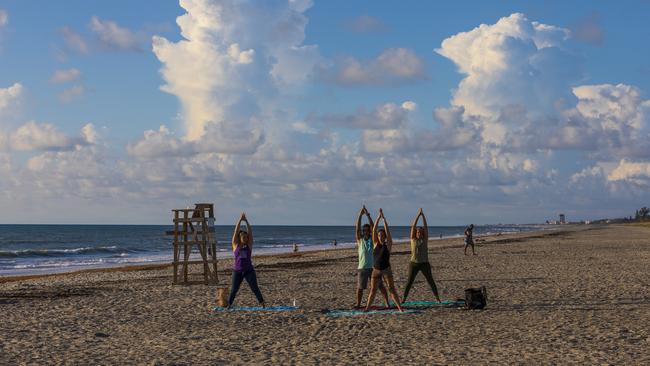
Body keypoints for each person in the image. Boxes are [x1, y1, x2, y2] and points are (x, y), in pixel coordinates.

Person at [364, 208, 403, 312]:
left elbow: (388, 231)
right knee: (373, 290)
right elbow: (374, 229)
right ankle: (367, 308)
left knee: (392, 289)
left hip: (386, 270)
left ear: (385, 237)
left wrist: (384, 219)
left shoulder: (388, 245)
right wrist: (378, 217)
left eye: (382, 235)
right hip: (375, 270)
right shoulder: (375, 243)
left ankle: (400, 308)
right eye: (379, 235)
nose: (381, 237)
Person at [402, 208, 441, 303]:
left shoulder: (425, 240)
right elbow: (413, 227)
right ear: (416, 233)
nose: (419, 233)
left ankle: (437, 298)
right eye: (417, 232)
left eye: (420, 232)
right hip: (414, 264)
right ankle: (403, 299)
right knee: (409, 282)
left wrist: (422, 216)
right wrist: (417, 215)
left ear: (423, 233)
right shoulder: (413, 240)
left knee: (431, 281)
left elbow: (426, 227)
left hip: (424, 264)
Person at [354, 205, 389, 309]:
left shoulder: (373, 240)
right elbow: (357, 229)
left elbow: (373, 227)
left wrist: (368, 215)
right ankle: (358, 304)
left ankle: (387, 303)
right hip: (362, 267)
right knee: (360, 287)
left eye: (367, 230)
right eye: (364, 230)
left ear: (369, 231)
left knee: (380, 286)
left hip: (374, 268)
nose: (365, 232)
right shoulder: (360, 240)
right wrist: (360, 216)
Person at [228, 212, 265, 308]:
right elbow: (236, 232)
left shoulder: (249, 246)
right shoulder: (235, 245)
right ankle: (229, 305)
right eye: (243, 237)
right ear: (239, 238)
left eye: (246, 237)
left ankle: (262, 303)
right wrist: (240, 220)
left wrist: (246, 221)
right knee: (234, 290)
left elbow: (250, 232)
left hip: (249, 271)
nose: (245, 238)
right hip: (237, 271)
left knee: (255, 288)